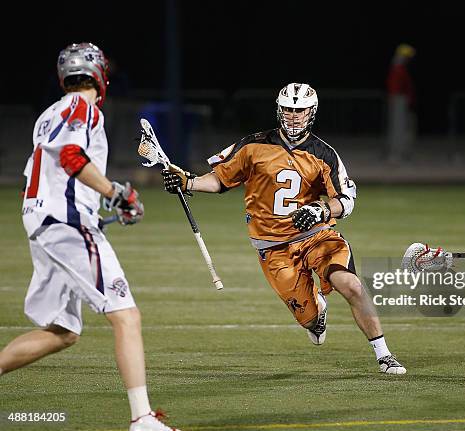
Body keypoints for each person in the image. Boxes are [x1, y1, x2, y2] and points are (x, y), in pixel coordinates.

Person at [162, 83, 406, 375]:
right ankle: (316, 313)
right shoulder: (253, 146)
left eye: (299, 110)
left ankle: (384, 355)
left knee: (351, 285)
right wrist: (188, 182)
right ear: (279, 111)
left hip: (317, 236)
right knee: (309, 320)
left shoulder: (323, 153)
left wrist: (322, 209)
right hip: (273, 247)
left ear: (311, 113)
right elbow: (219, 180)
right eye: (288, 109)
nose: (293, 116)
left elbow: (346, 199)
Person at [0, 43, 178, 431]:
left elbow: (49, 170)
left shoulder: (48, 114)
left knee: (63, 333)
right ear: (100, 76)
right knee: (126, 316)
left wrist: (96, 206)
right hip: (65, 225)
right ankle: (143, 419)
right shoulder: (83, 108)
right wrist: (116, 192)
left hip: (46, 223)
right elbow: (72, 159)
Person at [386, 43, 416, 163]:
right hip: (399, 100)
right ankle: (396, 155)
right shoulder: (398, 68)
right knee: (398, 129)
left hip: (401, 100)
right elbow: (395, 87)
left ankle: (400, 154)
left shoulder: (400, 68)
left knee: (403, 129)